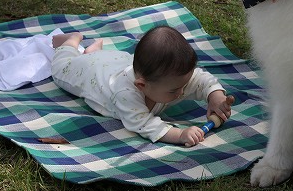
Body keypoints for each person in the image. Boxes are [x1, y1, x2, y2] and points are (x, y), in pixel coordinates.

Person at [50, 25, 232, 147]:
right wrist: (180, 134)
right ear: (141, 85)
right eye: (175, 90)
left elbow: (200, 80)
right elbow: (145, 125)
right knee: (60, 70)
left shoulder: (167, 80)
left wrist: (215, 96)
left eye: (183, 85)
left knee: (104, 60)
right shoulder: (125, 94)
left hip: (117, 62)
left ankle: (93, 52)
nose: (182, 92)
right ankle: (71, 41)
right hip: (91, 72)